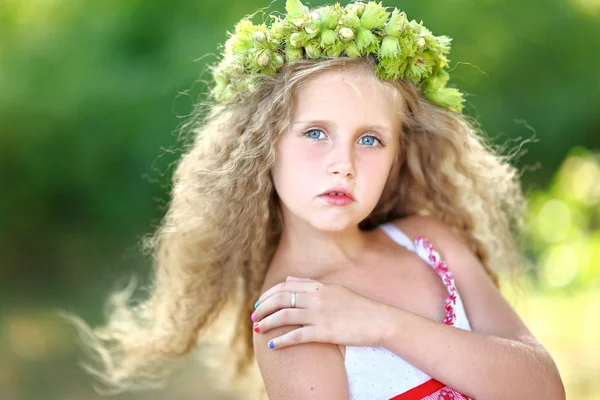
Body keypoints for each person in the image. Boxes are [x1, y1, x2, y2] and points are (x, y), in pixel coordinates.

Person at [64, 0, 565, 399]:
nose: (342, 163)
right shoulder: (292, 318)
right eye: (315, 133)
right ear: (263, 145)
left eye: (370, 140)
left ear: (397, 155)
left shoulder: (426, 241)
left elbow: (544, 388)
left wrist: (382, 323)